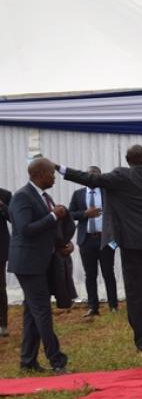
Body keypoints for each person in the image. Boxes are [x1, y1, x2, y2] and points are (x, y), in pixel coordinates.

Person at [57, 146, 142, 352]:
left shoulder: (120, 176)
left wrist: (60, 168)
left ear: (127, 160)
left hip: (131, 244)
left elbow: (90, 179)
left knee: (136, 293)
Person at [8, 158, 68, 373]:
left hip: (42, 261)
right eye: (52, 173)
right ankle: (57, 360)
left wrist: (61, 245)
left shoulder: (44, 197)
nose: (54, 177)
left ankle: (28, 361)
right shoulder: (22, 197)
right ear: (40, 174)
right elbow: (25, 229)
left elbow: (46, 231)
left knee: (32, 313)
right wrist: (53, 216)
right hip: (28, 264)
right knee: (42, 311)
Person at [68, 166, 118, 317]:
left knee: (108, 273)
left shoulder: (108, 193)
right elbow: (70, 214)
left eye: (95, 175)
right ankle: (93, 307)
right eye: (89, 175)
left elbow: (116, 213)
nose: (92, 178)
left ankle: (113, 306)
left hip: (105, 240)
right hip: (86, 239)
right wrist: (85, 213)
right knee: (90, 274)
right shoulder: (78, 195)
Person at [0, 187, 11, 337]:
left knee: (0, 287)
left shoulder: (5, 194)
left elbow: (14, 217)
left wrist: (2, 206)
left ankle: (2, 323)